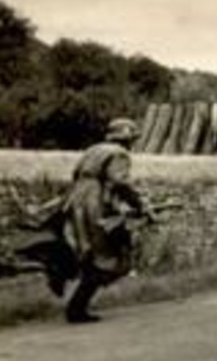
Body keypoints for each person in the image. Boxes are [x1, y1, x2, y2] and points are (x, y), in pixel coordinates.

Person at [58, 117, 155, 323]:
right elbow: (121, 182)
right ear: (127, 139)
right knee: (106, 254)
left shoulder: (93, 149)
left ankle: (77, 305)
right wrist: (139, 205)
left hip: (76, 200)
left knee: (90, 251)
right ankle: (76, 308)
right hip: (93, 203)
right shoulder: (119, 154)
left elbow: (76, 174)